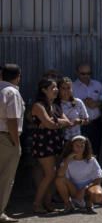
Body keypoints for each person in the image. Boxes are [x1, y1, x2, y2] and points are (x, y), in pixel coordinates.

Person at [32, 78, 72, 214]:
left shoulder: (55, 105)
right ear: (44, 90)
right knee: (50, 174)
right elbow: (49, 124)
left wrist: (53, 121)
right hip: (43, 143)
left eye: (56, 87)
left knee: (53, 175)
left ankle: (48, 203)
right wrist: (53, 122)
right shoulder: (38, 105)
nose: (56, 90)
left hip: (55, 141)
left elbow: (67, 122)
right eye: (52, 88)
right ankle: (37, 204)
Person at [0, 64, 26, 223]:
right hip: (6, 138)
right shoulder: (12, 92)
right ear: (18, 76)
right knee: (6, 176)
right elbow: (12, 120)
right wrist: (16, 143)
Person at [54, 136, 102, 213]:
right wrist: (67, 160)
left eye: (82, 146)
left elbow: (98, 178)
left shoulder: (91, 159)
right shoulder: (67, 160)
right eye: (77, 146)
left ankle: (89, 204)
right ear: (72, 147)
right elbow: (60, 175)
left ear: (85, 147)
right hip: (74, 188)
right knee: (59, 180)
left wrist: (86, 188)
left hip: (88, 187)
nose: (79, 148)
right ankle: (68, 205)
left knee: (98, 196)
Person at [72, 63, 102, 156]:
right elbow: (67, 104)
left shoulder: (97, 85)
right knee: (80, 152)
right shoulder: (72, 87)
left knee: (95, 151)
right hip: (80, 125)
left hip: (96, 123)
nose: (86, 76)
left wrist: (97, 103)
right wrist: (82, 102)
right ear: (77, 73)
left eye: (88, 73)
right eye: (83, 73)